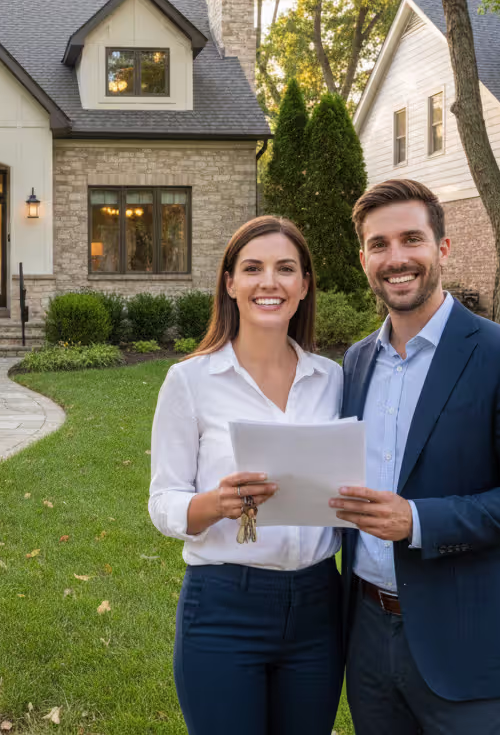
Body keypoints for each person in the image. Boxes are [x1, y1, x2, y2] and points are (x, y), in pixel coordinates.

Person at [328, 178, 500, 734]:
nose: (397, 258)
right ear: (363, 257)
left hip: (468, 637)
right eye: (379, 244)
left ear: (442, 247)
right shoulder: (358, 361)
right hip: (366, 633)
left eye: (411, 239)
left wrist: (416, 521)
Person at [150, 216, 344, 735]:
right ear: (230, 283)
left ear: (304, 285)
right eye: (252, 268)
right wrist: (215, 503)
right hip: (223, 605)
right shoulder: (190, 381)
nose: (269, 282)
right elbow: (163, 499)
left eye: (285, 269)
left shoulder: (332, 380)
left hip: (320, 606)